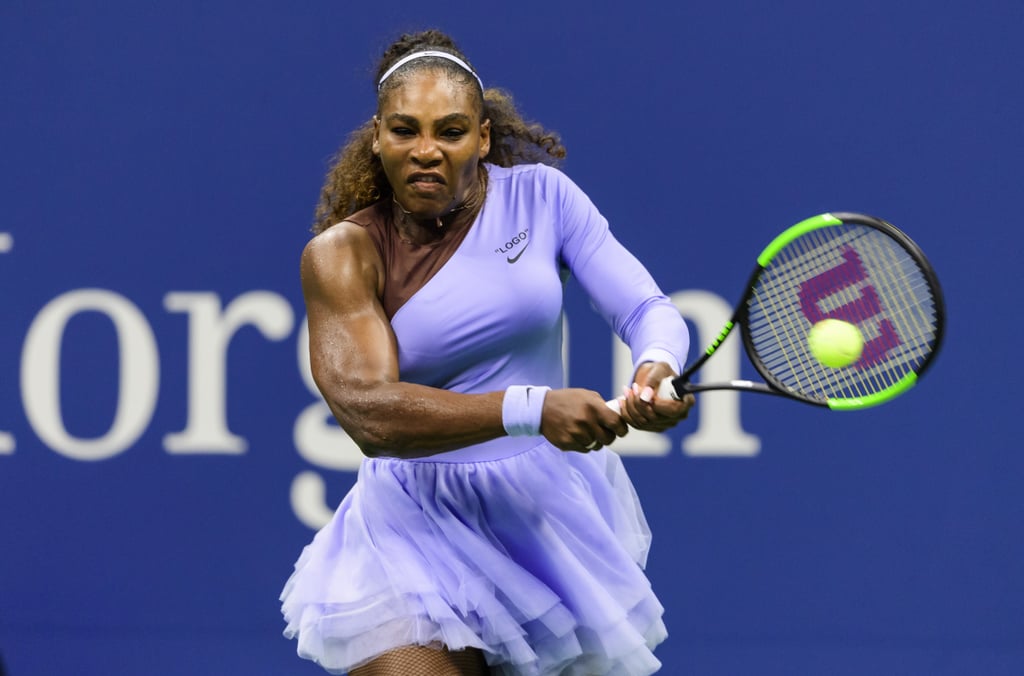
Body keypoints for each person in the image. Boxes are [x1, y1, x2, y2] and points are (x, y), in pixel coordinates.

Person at [280, 29, 696, 676]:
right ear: (377, 136)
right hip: (409, 529)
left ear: (481, 138)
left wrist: (657, 366)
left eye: (449, 132)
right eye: (404, 130)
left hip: (540, 519)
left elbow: (646, 310)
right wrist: (532, 408)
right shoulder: (342, 255)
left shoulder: (544, 198)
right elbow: (369, 414)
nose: (425, 151)